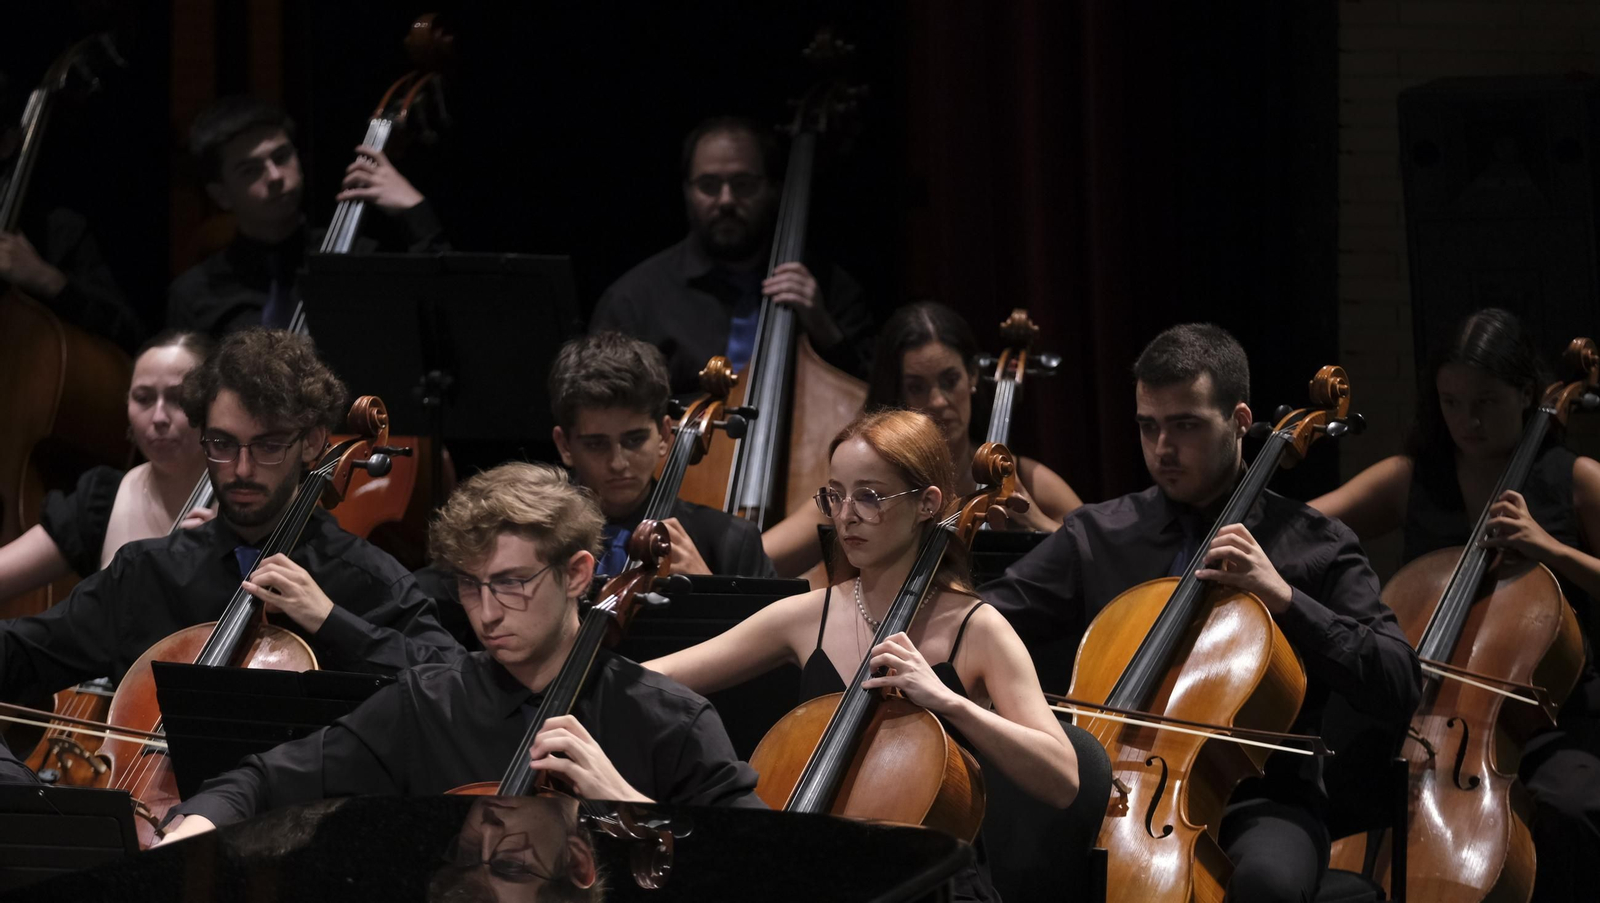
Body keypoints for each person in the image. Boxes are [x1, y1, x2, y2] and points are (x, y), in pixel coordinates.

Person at [982, 323, 1421, 902]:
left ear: (1239, 421)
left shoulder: (1318, 544)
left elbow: (1399, 680)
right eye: (1148, 426)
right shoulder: (1099, 534)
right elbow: (986, 620)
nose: (1162, 448)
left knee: (1266, 885)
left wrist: (1283, 598)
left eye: (1185, 425)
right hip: (1104, 782)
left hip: (1263, 801)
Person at [158, 461, 761, 844]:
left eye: (512, 583)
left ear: (578, 574)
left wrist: (631, 807)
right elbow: (261, 781)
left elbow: (765, 862)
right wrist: (197, 824)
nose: (487, 613)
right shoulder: (430, 703)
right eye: (470, 586)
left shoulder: (670, 721)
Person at [646, 409, 1081, 902]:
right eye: (835, 495)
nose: (846, 515)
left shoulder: (978, 629)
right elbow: (654, 679)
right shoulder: (806, 616)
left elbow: (1063, 779)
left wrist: (949, 701)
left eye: (870, 497)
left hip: (935, 890)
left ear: (927, 504)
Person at [0, 328, 461, 709]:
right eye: (222, 444)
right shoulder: (147, 574)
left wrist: (331, 621)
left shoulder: (365, 578)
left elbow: (457, 683)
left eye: (268, 445)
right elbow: (24, 654)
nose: (241, 469)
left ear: (312, 442)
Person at [1310, 307, 1600, 903]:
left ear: (1527, 394)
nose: (1468, 420)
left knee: (1571, 809)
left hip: (1546, 717)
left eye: (1486, 402)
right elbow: (1304, 528)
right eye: (1451, 402)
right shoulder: (1413, 477)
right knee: (1333, 782)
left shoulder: (1575, 480)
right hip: (1422, 708)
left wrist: (1549, 549)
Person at [763, 301, 1085, 577]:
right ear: (898, 395)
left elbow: (1100, 558)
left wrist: (1038, 524)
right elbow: (758, 560)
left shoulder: (1027, 480)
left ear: (972, 376)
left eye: (950, 380)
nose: (938, 401)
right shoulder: (867, 491)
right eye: (917, 387)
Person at [591, 115, 874, 394]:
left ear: (774, 190)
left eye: (743, 184)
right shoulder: (634, 299)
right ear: (687, 192)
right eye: (708, 185)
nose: (726, 200)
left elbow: (877, 399)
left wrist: (825, 330)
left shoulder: (831, 290)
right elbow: (600, 403)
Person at [166, 95, 445, 336]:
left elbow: (443, 311)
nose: (275, 176)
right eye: (250, 170)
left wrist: (415, 210)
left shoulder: (359, 260)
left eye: (281, 156)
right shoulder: (194, 295)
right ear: (220, 195)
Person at [0, 331, 213, 602]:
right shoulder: (101, 498)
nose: (158, 417)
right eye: (143, 398)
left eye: (178, 398)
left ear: (214, 405)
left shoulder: (244, 507)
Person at [551, 332, 774, 580]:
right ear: (565, 446)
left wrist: (706, 588)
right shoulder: (536, 536)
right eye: (596, 444)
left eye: (635, 440)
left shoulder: (732, 542)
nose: (618, 463)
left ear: (665, 436)